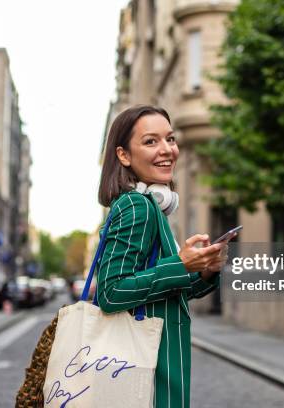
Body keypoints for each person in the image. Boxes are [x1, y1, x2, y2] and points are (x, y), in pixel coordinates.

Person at [96, 105, 229, 408]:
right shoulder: (137, 207)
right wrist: (179, 264)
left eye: (170, 139)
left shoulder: (150, 207)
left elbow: (164, 292)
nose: (167, 150)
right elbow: (111, 292)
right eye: (151, 141)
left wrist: (204, 270)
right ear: (123, 155)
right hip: (148, 378)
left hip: (152, 371)